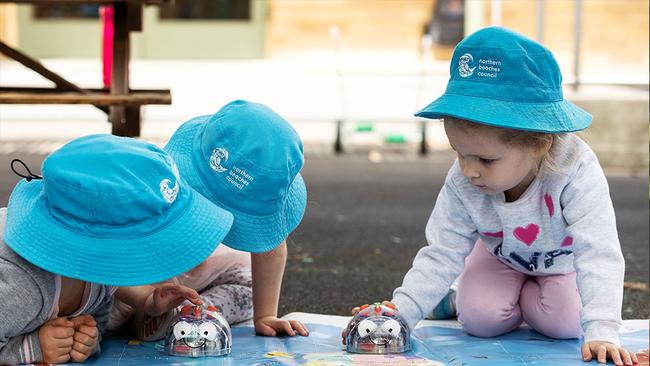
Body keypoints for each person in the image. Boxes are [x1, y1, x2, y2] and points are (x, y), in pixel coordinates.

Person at [355, 27, 637, 366]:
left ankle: (527, 296)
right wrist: (399, 316)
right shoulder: (464, 178)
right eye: (460, 153)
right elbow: (442, 250)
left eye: (487, 160)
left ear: (540, 142)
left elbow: (599, 250)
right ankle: (454, 297)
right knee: (480, 318)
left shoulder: (575, 171)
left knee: (566, 324)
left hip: (561, 267)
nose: (470, 171)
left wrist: (602, 329)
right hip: (499, 258)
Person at [0, 134, 233, 364]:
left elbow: (99, 313)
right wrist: (31, 348)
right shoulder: (22, 288)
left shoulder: (97, 272)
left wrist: (87, 339)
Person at [160, 100, 309, 338]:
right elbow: (143, 246)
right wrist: (149, 299)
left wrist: (265, 315)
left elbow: (271, 246)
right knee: (113, 298)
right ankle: (156, 313)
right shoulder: (164, 189)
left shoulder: (258, 205)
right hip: (148, 272)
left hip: (211, 271)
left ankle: (189, 313)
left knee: (250, 292)